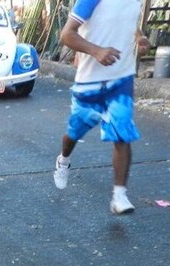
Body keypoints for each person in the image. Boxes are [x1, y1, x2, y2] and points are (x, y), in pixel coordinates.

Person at [53, 0, 151, 215]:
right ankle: (64, 159)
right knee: (75, 132)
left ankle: (119, 195)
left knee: (121, 132)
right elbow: (66, 34)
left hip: (121, 79)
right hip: (89, 82)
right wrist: (96, 51)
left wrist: (140, 37)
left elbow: (127, 22)